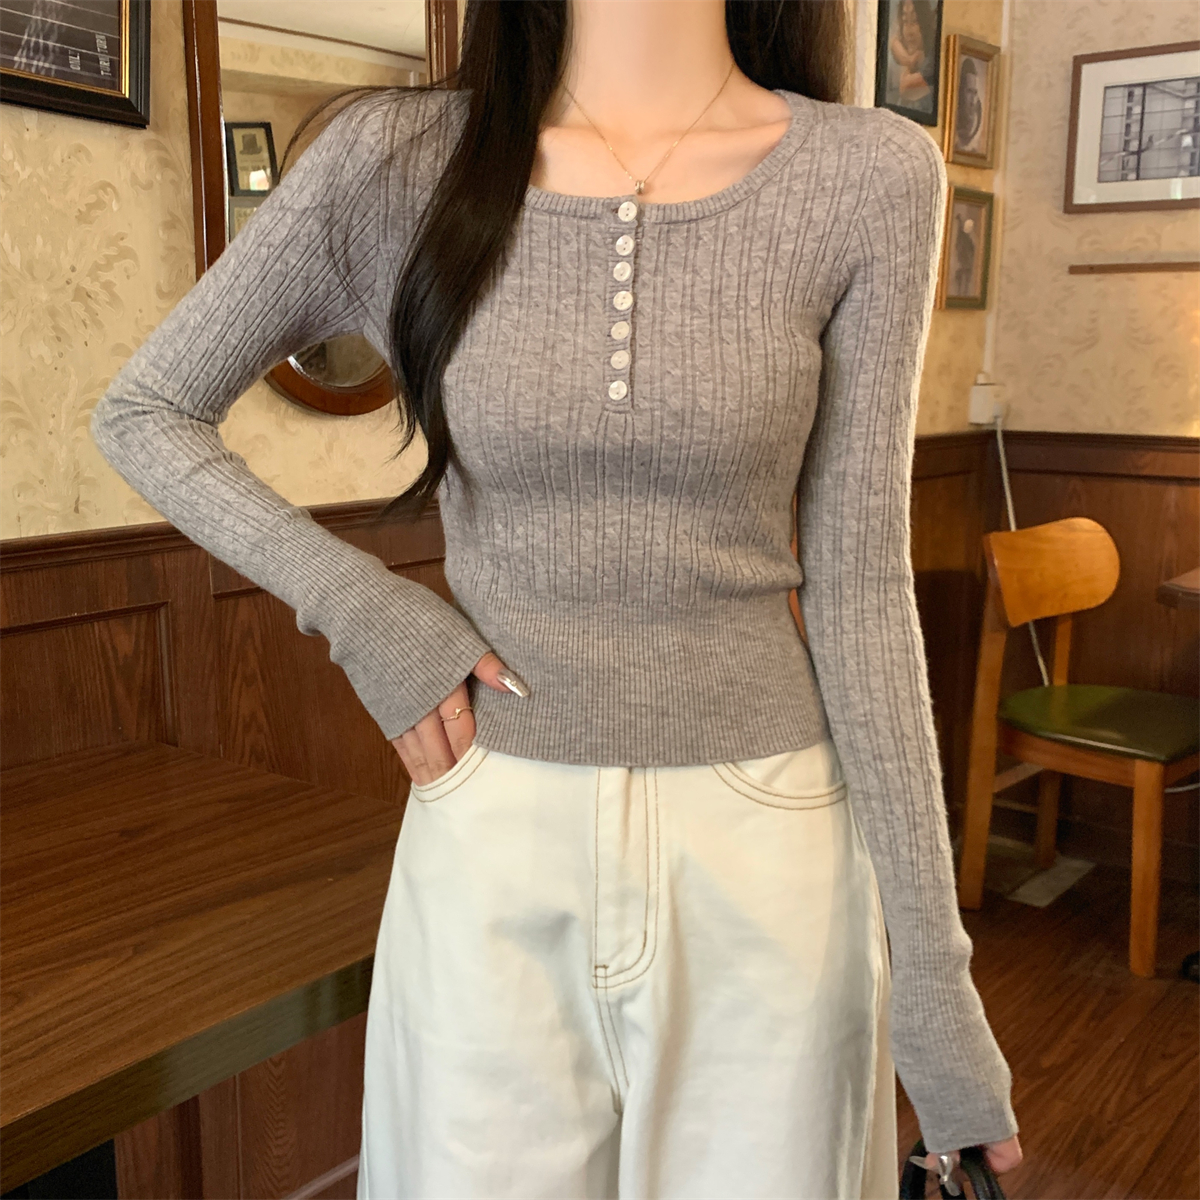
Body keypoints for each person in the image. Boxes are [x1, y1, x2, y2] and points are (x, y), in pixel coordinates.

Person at [88, 1, 1023, 1196]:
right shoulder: (394, 159)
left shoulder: (870, 174)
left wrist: (937, 991)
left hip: (770, 845)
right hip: (492, 822)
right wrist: (365, 612)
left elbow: (862, 584)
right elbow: (148, 410)